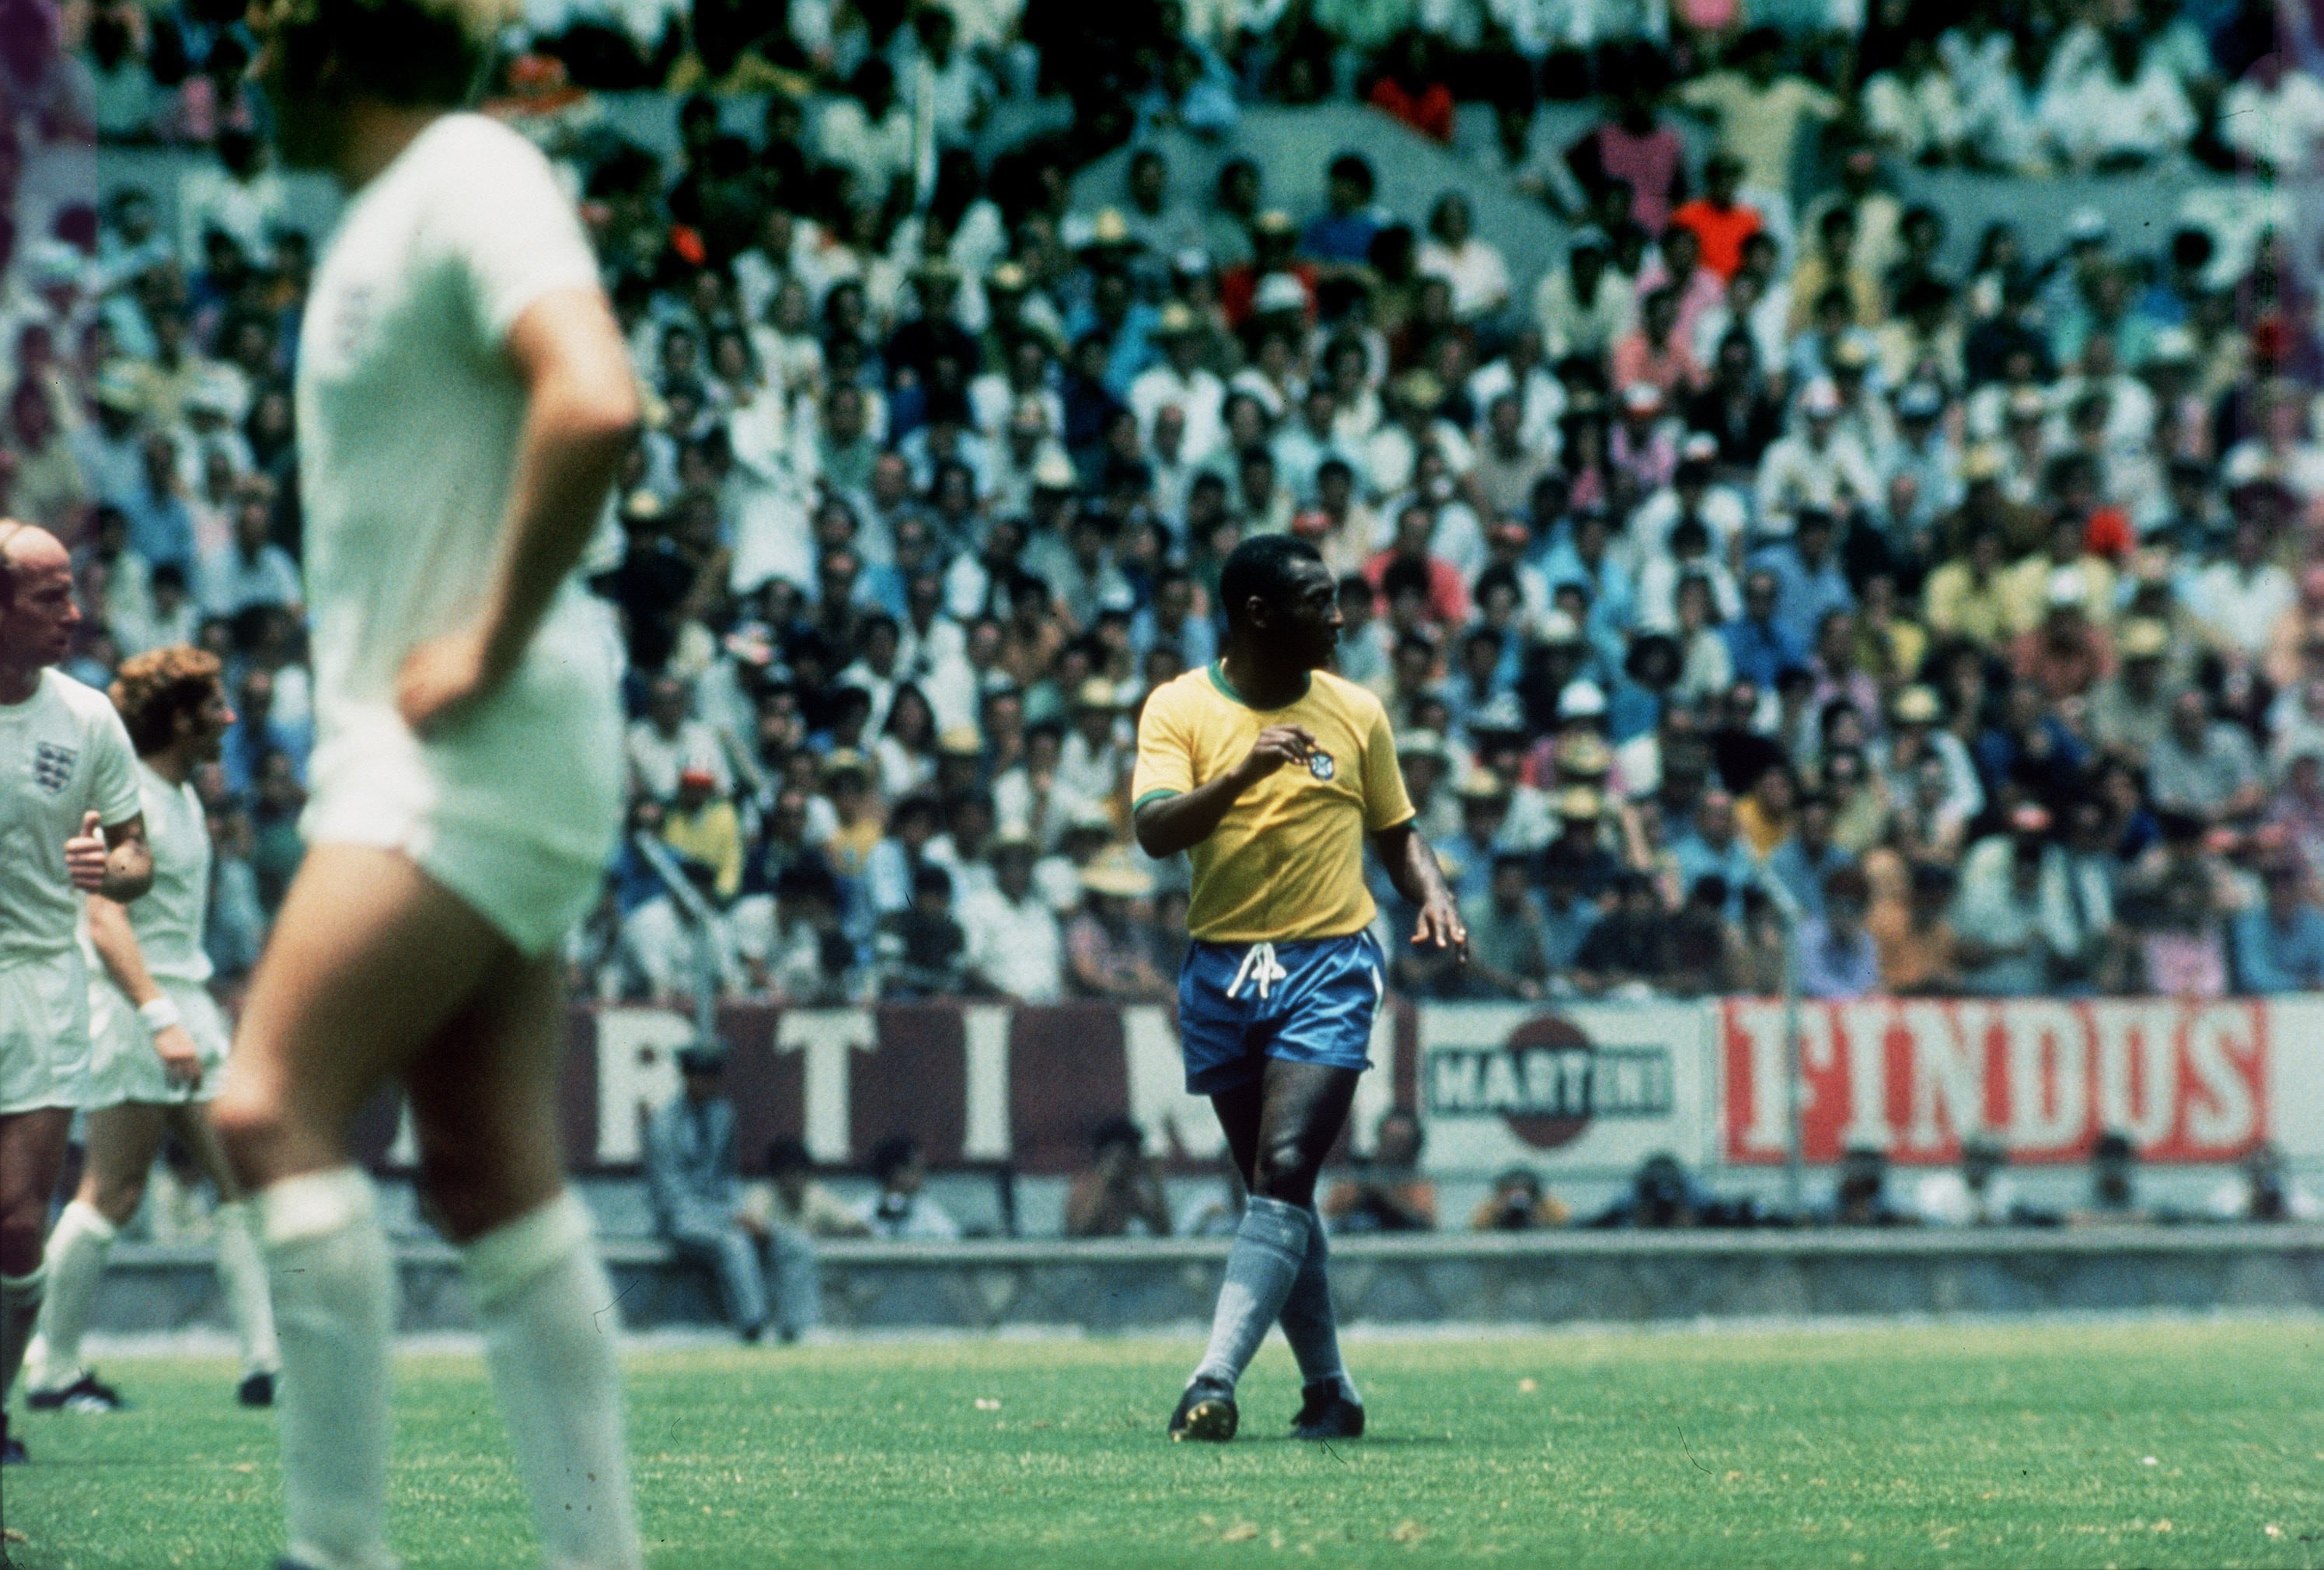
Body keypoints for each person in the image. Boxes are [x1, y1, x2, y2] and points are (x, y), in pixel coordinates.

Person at [204, 10, 645, 1563]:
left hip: (463, 737)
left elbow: (595, 398)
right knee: (484, 1164)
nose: (245, 76)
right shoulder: (411, 206)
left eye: (263, 42)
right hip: (457, 739)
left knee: (264, 1105)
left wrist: (485, 639)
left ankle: (329, 1556)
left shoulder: (468, 170)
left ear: (329, 51)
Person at [1131, 533, 1463, 1443]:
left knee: (1282, 1169)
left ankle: (1211, 1380)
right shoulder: (1179, 707)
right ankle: (1331, 1390)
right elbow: (1156, 832)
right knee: (1275, 1192)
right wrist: (1239, 774)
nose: (1340, 617)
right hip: (1222, 967)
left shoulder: (1354, 712)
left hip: (1330, 960)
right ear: (1257, 616)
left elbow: (1396, 831)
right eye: (1319, 601)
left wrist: (1430, 889)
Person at [23, 649, 281, 1416]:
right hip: (140, 1009)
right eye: (214, 708)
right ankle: (48, 1367)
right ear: (177, 717)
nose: (228, 719)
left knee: (238, 1178)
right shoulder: (131, 799)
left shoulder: (182, 797)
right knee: (114, 1189)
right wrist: (159, 1017)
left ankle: (266, 1361)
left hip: (184, 1001)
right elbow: (105, 921)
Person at [0, 522, 156, 1467]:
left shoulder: (87, 716)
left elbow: (139, 857)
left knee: (19, 1220)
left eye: (74, 592)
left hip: (41, 980)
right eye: (50, 597)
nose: (75, 613)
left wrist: (113, 865)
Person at [644, 1041, 788, 1343]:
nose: (710, 1084)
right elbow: (671, 1198)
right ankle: (754, 1327)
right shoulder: (663, 1126)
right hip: (681, 1220)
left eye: (714, 1077)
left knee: (788, 1240)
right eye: (703, 1077)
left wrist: (742, 1212)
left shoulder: (723, 1115)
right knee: (733, 1243)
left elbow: (728, 1177)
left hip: (722, 1214)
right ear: (687, 1078)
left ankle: (797, 1327)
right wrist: (730, 1217)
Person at [1320, 1110, 1437, 1235]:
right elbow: (1327, 1218)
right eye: (1389, 1139)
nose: (1393, 1147)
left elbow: (1428, 1224)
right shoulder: (1356, 1174)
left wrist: (1387, 1194)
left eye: (1401, 1141)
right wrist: (1362, 1188)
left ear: (1413, 1147)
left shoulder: (1417, 1183)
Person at [1063, 1115, 1175, 1237]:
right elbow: (1078, 1231)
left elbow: (1164, 1231)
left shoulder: (1130, 1192)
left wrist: (1156, 1183)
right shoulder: (1084, 1188)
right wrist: (1105, 1179)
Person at [860, 1135, 962, 1240]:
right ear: (897, 1172)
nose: (922, 1177)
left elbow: (952, 1236)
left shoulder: (928, 1212)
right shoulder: (863, 1211)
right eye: (917, 1170)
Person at [1915, 1133, 2021, 1226]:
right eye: (1975, 1159)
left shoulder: (2003, 1190)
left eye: (1987, 1161)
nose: (1980, 1166)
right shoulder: (1940, 1188)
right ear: (1965, 1159)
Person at [1471, 1167, 1569, 1230]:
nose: (1517, 1200)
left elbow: (1564, 1226)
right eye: (1508, 1193)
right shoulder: (1489, 1213)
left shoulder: (1550, 1212)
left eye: (1527, 1192)